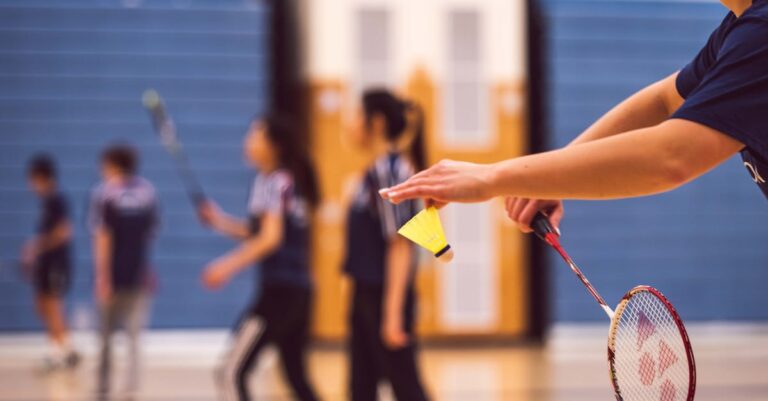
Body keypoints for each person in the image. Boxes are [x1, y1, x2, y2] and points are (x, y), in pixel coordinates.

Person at [381, 0, 768, 232]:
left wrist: (492, 176)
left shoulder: (761, 30)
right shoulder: (738, 29)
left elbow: (671, 157)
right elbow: (664, 100)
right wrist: (551, 178)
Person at [197, 114, 321, 401]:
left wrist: (225, 266)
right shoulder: (286, 180)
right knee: (297, 378)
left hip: (279, 295)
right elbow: (260, 231)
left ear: (273, 145)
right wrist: (219, 221)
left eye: (255, 135)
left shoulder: (274, 181)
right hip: (300, 292)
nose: (248, 142)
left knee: (230, 372)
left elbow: (270, 238)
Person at [342, 89, 430, 401]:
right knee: (361, 388)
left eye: (355, 115)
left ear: (375, 123)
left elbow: (400, 245)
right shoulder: (374, 170)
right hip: (366, 294)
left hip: (385, 296)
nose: (349, 124)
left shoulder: (391, 171)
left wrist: (392, 313)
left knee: (406, 387)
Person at [88, 144, 158, 398]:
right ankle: (131, 391)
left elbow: (103, 237)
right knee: (134, 339)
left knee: (105, 338)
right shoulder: (147, 192)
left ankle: (102, 390)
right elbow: (148, 237)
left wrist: (102, 276)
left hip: (114, 276)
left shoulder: (105, 194)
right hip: (138, 275)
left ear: (112, 165)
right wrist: (148, 270)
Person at [21, 154, 80, 371]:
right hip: (46, 263)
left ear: (41, 177)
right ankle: (67, 348)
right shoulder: (46, 203)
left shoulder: (57, 200)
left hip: (57, 263)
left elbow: (64, 232)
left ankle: (57, 353)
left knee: (54, 306)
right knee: (43, 305)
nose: (30, 185)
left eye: (32, 179)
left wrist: (37, 246)